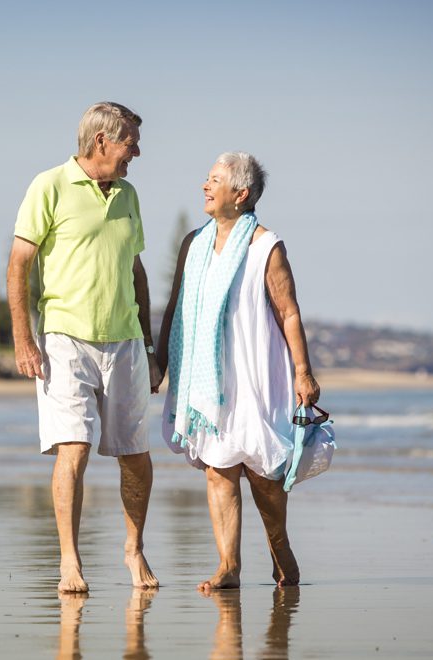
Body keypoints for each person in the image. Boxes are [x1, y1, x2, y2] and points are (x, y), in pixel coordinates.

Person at [7, 102, 162, 593]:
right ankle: (69, 561)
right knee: (72, 449)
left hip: (126, 341)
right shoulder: (48, 186)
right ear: (102, 141)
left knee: (135, 453)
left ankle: (133, 549)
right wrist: (23, 340)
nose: (136, 151)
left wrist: (151, 345)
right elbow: (19, 266)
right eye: (130, 143)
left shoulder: (130, 194)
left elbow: (136, 272)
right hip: (64, 339)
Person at [157, 151, 320, 592]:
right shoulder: (194, 243)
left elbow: (288, 313)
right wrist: (162, 361)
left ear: (241, 193)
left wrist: (303, 372)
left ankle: (280, 547)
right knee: (218, 468)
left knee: (263, 471)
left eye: (214, 180)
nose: (205, 187)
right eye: (206, 179)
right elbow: (176, 304)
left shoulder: (267, 245)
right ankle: (229, 565)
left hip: (253, 370)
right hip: (205, 374)